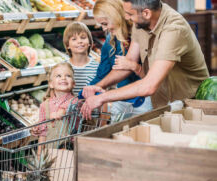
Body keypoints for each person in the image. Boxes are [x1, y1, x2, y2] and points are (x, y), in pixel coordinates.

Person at [81, 0, 209, 120]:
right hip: (164, 103)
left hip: (190, 105)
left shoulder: (174, 30)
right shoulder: (141, 23)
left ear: (146, 13)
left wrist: (102, 98)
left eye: (129, 14)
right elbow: (128, 62)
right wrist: (97, 86)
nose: (126, 18)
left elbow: (149, 85)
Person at [82, 0, 152, 119]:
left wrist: (134, 67)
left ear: (115, 16)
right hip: (120, 98)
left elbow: (152, 77)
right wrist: (88, 91)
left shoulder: (141, 33)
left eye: (105, 23)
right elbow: (102, 75)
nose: (104, 29)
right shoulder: (110, 42)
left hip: (145, 98)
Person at [31, 63, 77, 153]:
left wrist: (60, 112)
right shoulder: (44, 105)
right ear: (51, 84)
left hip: (69, 150)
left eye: (68, 76)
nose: (63, 78)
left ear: (73, 84)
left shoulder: (75, 101)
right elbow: (43, 134)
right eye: (58, 76)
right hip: (49, 150)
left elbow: (69, 108)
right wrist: (39, 155)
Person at [63, 21, 99, 95]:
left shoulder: (97, 67)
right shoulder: (63, 67)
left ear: (89, 42)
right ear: (67, 45)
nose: (79, 41)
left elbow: (102, 94)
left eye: (83, 38)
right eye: (74, 39)